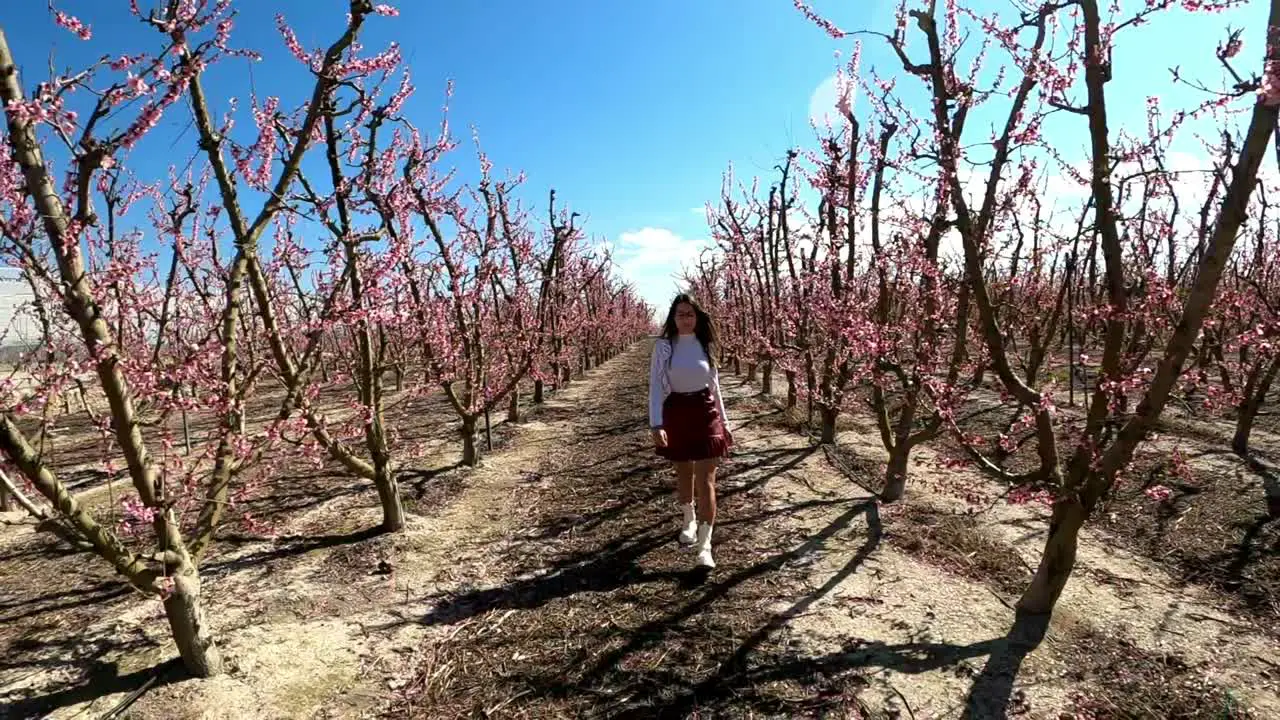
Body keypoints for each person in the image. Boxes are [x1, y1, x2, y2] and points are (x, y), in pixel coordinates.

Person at [648, 293, 733, 568]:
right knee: (684, 472)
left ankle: (705, 546)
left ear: (698, 317)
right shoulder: (664, 347)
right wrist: (656, 423)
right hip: (676, 411)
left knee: (706, 477)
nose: (686, 319)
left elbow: (715, 387)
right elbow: (656, 388)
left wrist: (726, 423)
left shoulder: (705, 345)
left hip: (705, 411)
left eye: (690, 313)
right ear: (673, 317)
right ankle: (689, 519)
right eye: (681, 314)